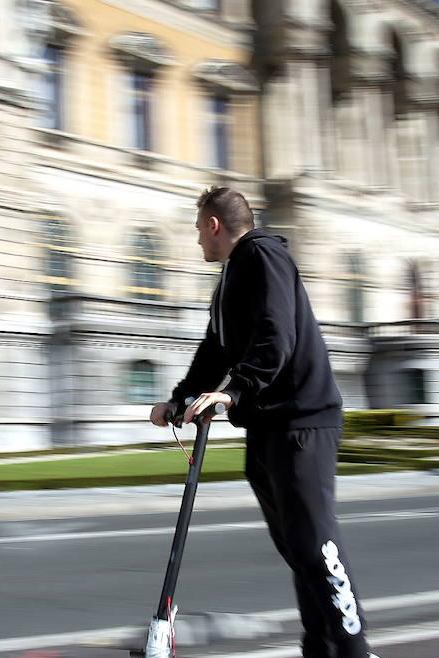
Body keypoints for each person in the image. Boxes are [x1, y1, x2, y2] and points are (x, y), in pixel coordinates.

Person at [150, 186, 376, 658]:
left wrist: (234, 392)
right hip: (269, 425)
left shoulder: (263, 257)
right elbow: (214, 350)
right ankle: (319, 647)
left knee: (317, 545)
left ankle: (354, 649)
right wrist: (181, 399)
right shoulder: (232, 277)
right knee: (298, 551)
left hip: (302, 422)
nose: (197, 243)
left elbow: (278, 333)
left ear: (214, 225)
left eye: (198, 231)